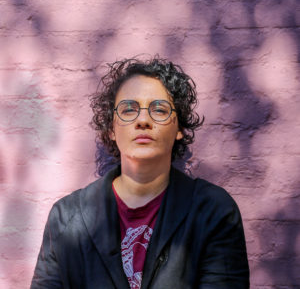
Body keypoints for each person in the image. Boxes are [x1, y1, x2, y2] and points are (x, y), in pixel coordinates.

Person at [31, 56, 249, 289]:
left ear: (179, 128)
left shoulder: (212, 211)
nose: (143, 120)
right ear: (112, 128)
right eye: (128, 109)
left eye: (159, 110)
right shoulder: (66, 218)